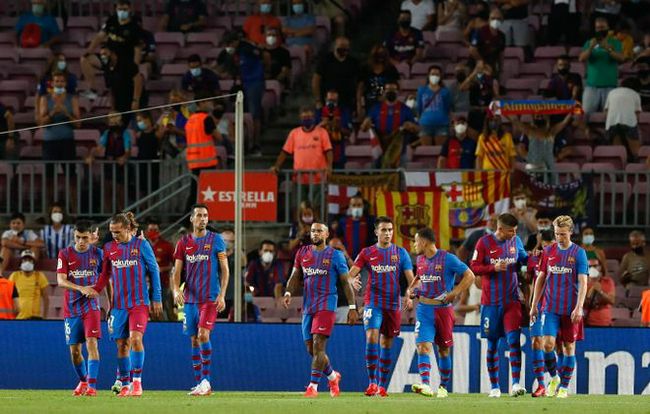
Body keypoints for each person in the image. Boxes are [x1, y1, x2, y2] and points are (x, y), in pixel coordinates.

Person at [90, 212, 162, 397]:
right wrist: (95, 290)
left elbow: (154, 271)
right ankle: (125, 383)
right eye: (112, 231)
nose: (114, 235)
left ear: (128, 229)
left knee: (136, 339)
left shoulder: (141, 245)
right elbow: (105, 275)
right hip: (119, 306)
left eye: (118, 231)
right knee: (122, 345)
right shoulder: (109, 248)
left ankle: (137, 382)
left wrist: (157, 298)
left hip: (139, 303)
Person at [282, 221, 358, 398]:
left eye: (319, 231)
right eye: (313, 231)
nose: (315, 234)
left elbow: (346, 283)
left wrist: (353, 307)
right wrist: (287, 292)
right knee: (312, 350)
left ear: (326, 235)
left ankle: (313, 387)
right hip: (308, 307)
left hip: (327, 305)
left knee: (318, 345)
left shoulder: (336, 255)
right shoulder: (302, 253)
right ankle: (332, 376)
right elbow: (295, 275)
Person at [347, 216, 414, 397]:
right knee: (371, 336)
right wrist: (352, 280)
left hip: (393, 304)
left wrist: (410, 294)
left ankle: (383, 386)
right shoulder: (367, 252)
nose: (387, 233)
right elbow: (350, 274)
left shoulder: (401, 253)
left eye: (390, 230)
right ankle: (372, 383)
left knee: (386, 343)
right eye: (384, 230)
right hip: (373, 302)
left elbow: (411, 280)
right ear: (376, 232)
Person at [410, 227, 475, 398]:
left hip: (443, 311)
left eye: (416, 241)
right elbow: (420, 279)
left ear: (423, 242)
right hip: (424, 309)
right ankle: (425, 384)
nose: (414, 245)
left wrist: (455, 292)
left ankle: (443, 387)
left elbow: (470, 276)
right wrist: (413, 291)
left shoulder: (448, 259)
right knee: (423, 346)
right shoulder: (420, 260)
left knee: (444, 350)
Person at [172, 204, 229, 396]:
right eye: (199, 215)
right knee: (194, 340)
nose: (202, 219)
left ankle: (206, 381)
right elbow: (177, 271)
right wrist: (174, 290)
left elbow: (225, 269)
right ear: (191, 219)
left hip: (210, 299)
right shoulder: (183, 242)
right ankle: (199, 383)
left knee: (203, 335)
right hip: (190, 300)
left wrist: (222, 294)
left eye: (205, 216)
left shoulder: (216, 240)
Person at [530, 215, 588, 398]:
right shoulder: (548, 252)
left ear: (570, 232)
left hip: (570, 309)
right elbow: (540, 278)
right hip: (550, 308)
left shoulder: (579, 253)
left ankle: (564, 387)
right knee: (548, 344)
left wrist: (579, 307)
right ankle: (554, 377)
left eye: (563, 234)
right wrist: (534, 305)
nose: (559, 238)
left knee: (568, 348)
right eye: (557, 234)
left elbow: (583, 282)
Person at [470, 212, 528, 398]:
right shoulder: (484, 243)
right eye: (511, 231)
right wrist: (492, 268)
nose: (514, 234)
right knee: (492, 344)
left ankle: (516, 384)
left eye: (515, 231)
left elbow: (524, 259)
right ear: (500, 229)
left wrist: (535, 257)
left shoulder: (516, 241)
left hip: (511, 301)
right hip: (490, 303)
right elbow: (474, 266)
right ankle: (494, 387)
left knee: (514, 342)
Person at [56, 221, 104, 397]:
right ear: (73, 236)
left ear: (91, 236)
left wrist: (112, 302)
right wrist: (80, 288)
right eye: (78, 237)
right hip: (72, 307)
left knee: (92, 343)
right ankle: (84, 381)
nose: (81, 241)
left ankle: (92, 386)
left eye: (85, 237)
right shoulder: (65, 254)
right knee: (75, 352)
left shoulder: (98, 254)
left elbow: (107, 278)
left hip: (91, 306)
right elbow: (61, 281)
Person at [81, 0, 143, 99]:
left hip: (124, 61)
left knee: (117, 87)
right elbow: (100, 36)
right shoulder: (111, 20)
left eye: (124, 9)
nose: (122, 12)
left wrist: (135, 65)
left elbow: (137, 48)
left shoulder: (134, 27)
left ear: (129, 9)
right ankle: (92, 90)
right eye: (120, 9)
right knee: (85, 59)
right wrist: (89, 50)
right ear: (116, 9)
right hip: (108, 57)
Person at [525, 229, 558, 397]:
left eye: (549, 245)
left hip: (553, 306)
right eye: (543, 245)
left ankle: (554, 377)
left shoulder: (560, 259)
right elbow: (529, 282)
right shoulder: (533, 259)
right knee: (535, 342)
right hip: (537, 306)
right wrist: (531, 303)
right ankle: (541, 384)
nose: (546, 248)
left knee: (549, 345)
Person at [221, 32, 265, 153]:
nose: (228, 46)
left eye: (230, 44)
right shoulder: (231, 53)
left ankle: (256, 144)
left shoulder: (248, 49)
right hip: (241, 83)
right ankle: (243, 143)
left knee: (254, 113)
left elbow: (262, 55)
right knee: (239, 112)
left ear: (236, 41)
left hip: (254, 83)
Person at [271, 107, 332, 190]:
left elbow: (328, 150)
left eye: (309, 117)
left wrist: (329, 167)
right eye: (304, 118)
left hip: (318, 178)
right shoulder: (294, 133)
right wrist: (277, 166)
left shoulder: (322, 132)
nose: (307, 119)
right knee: (299, 203)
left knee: (316, 203)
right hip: (299, 178)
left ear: (313, 118)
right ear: (300, 118)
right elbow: (285, 152)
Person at [361, 82, 418, 168]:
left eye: (393, 90)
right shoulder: (376, 108)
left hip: (398, 152)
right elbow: (364, 128)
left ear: (398, 92)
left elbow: (417, 128)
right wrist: (365, 124)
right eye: (388, 90)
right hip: (380, 150)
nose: (390, 92)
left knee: (399, 177)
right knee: (378, 177)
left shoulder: (405, 109)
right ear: (384, 92)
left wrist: (411, 126)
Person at [86, 113, 132, 212]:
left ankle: (123, 215)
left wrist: (123, 158)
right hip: (108, 166)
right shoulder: (107, 133)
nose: (113, 121)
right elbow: (99, 148)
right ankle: (108, 215)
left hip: (120, 167)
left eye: (115, 119)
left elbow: (128, 151)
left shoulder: (125, 133)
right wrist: (91, 156)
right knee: (107, 191)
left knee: (120, 192)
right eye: (111, 119)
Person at [579, 17, 625, 116]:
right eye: (598, 28)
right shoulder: (589, 42)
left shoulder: (615, 42)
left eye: (602, 27)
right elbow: (581, 58)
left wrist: (608, 48)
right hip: (591, 86)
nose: (600, 30)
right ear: (595, 29)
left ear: (608, 28)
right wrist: (591, 47)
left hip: (610, 86)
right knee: (585, 115)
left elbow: (621, 58)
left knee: (610, 116)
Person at [508, 113, 573, 182]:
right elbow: (515, 121)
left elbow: (564, 122)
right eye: (538, 117)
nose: (540, 118)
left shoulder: (551, 132)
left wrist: (556, 158)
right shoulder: (530, 132)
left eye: (541, 116)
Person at [184, 93, 220, 210]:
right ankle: (189, 221)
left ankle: (185, 222)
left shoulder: (190, 120)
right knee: (208, 195)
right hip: (207, 163)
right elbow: (219, 137)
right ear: (201, 103)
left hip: (194, 163)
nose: (210, 104)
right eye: (208, 101)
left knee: (194, 193)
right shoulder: (206, 119)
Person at [37, 71, 80, 163]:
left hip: (67, 142)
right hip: (50, 142)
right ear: (52, 83)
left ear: (66, 83)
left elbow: (78, 124)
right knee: (49, 175)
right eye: (57, 81)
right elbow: (42, 124)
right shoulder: (45, 99)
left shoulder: (72, 99)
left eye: (62, 81)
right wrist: (53, 112)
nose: (59, 84)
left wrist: (66, 114)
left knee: (70, 174)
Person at [313, 37, 360, 111]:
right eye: (341, 46)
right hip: (328, 99)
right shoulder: (325, 60)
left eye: (346, 47)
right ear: (335, 46)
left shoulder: (353, 62)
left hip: (347, 101)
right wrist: (318, 100)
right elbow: (316, 80)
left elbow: (358, 83)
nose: (344, 49)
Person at [460, 60, 500, 139]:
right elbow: (462, 88)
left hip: (487, 113)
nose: (484, 71)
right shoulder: (473, 82)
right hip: (474, 112)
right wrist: (474, 73)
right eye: (482, 69)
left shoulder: (492, 82)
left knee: (486, 139)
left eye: (486, 69)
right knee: (473, 139)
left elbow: (497, 98)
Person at [604, 77, 642, 161]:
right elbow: (637, 114)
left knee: (618, 152)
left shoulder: (612, 92)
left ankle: (621, 168)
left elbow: (606, 111)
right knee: (636, 153)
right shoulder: (635, 94)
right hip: (629, 122)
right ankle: (637, 167)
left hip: (612, 122)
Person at [145, 218, 175, 321]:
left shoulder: (167, 246)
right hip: (144, 283)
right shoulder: (141, 245)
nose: (153, 232)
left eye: (155, 229)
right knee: (146, 309)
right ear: (146, 231)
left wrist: (161, 269)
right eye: (150, 229)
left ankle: (164, 326)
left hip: (162, 282)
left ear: (159, 231)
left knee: (163, 307)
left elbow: (175, 264)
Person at [315, 89, 353, 169]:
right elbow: (311, 132)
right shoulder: (319, 112)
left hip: (338, 154)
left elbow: (349, 132)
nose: (331, 103)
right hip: (321, 153)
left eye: (334, 100)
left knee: (338, 179)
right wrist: (321, 125)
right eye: (330, 100)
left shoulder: (344, 112)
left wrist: (338, 127)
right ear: (325, 99)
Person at [416, 65, 452, 146]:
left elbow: (447, 108)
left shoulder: (445, 91)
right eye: (432, 74)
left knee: (440, 151)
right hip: (425, 124)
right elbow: (419, 108)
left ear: (440, 76)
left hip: (442, 124)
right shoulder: (421, 90)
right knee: (426, 151)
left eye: (437, 74)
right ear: (428, 76)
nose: (434, 76)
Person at [36, 52, 79, 120]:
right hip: (47, 107)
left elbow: (74, 96)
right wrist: (37, 114)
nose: (62, 63)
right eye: (60, 61)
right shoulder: (44, 78)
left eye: (64, 61)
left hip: (66, 107)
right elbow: (38, 96)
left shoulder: (71, 78)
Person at [9, 250, 49, 319]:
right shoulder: (15, 276)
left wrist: (45, 317)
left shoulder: (39, 276)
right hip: (18, 318)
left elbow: (46, 298)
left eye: (30, 260)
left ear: (33, 262)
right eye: (25, 260)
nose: (27, 262)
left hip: (35, 317)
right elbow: (9, 296)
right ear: (21, 262)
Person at [336, 195, 374, 260]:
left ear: (363, 206)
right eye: (354, 205)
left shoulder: (370, 221)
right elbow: (338, 239)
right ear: (350, 207)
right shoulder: (343, 221)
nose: (356, 207)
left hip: (365, 260)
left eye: (359, 205)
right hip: (347, 260)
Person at [469, 8, 506, 76]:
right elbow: (472, 49)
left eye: (498, 19)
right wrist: (480, 60)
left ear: (502, 20)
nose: (495, 21)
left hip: (491, 66)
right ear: (489, 20)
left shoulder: (502, 36)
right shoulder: (480, 32)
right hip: (477, 64)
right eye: (493, 18)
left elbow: (501, 54)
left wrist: (501, 69)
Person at [156, 89, 190, 156]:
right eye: (172, 100)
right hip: (169, 151)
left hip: (186, 150)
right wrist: (164, 130)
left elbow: (192, 134)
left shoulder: (188, 114)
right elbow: (158, 134)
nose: (174, 102)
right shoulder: (166, 114)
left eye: (177, 100)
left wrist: (175, 130)